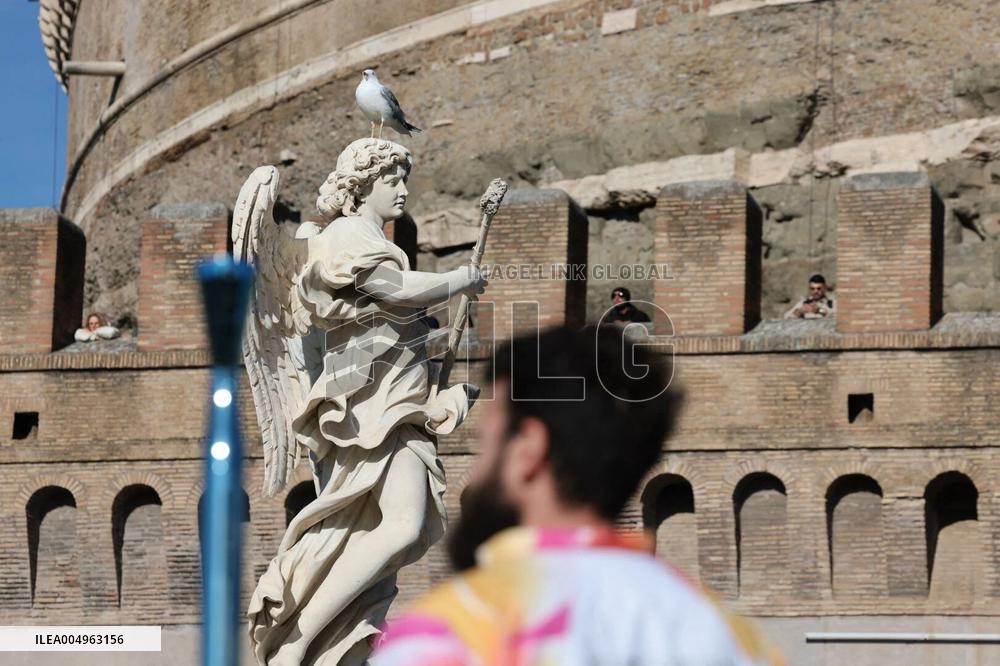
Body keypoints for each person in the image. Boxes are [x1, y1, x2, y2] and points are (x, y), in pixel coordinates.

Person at [372, 326, 783, 666]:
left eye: (488, 445)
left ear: (527, 450)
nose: (478, 474)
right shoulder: (732, 638)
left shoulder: (450, 636)